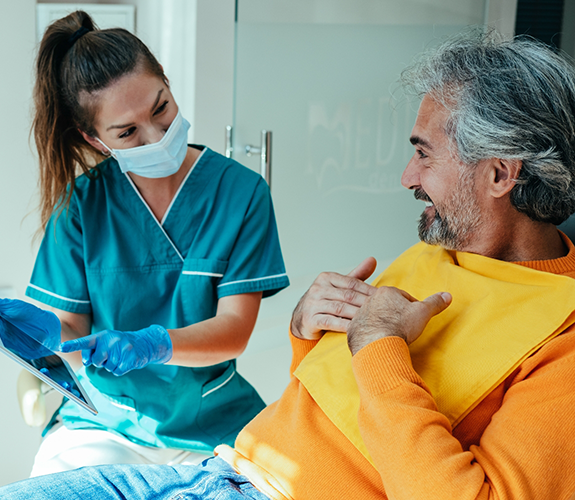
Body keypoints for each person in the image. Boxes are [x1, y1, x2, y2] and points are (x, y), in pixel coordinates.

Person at [3, 28, 575, 499]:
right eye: (127, 131)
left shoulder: (560, 340)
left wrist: (377, 346)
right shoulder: (442, 247)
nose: (405, 177)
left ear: (500, 174)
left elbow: (399, 401)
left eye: (423, 153)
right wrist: (309, 329)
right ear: (95, 138)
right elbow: (337, 391)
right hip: (229, 466)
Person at [6, 10, 289, 477]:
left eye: (161, 108)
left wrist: (154, 344)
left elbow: (235, 329)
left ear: (168, 83)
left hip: (213, 424)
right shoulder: (83, 205)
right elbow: (70, 328)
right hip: (104, 424)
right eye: (127, 132)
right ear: (95, 139)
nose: (157, 137)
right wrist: (46, 337)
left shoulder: (242, 193)